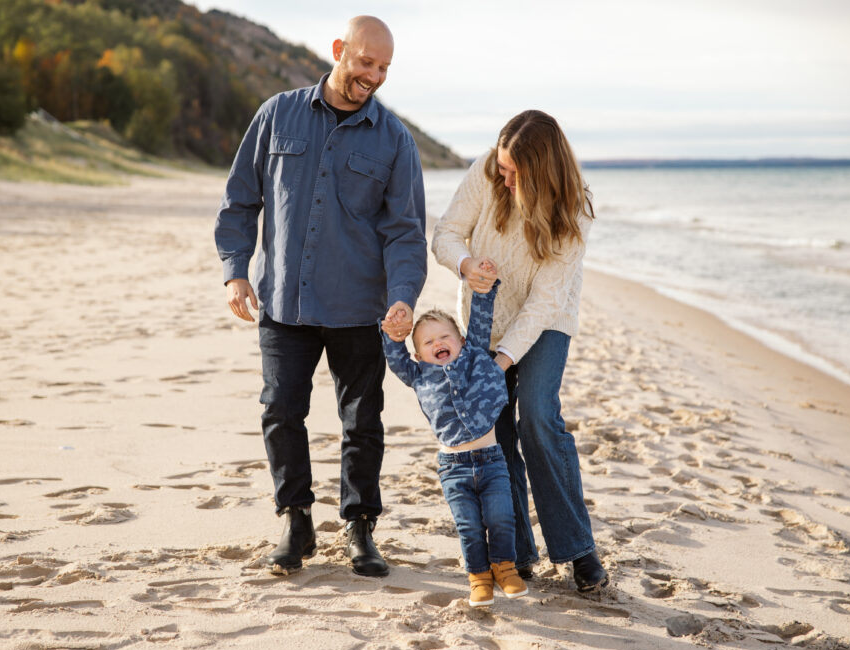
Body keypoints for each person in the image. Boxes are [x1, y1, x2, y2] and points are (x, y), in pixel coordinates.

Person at [214, 16, 427, 577]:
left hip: (361, 309)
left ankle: (360, 528)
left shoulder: (395, 139)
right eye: (365, 62)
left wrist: (403, 297)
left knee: (362, 421)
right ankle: (296, 520)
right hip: (284, 301)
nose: (374, 77)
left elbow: (405, 231)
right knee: (280, 409)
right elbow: (240, 200)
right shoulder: (277, 114)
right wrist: (236, 271)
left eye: (383, 68)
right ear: (339, 51)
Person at [430, 110, 609, 593]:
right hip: (484, 315)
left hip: (544, 320)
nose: (502, 177)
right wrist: (466, 265)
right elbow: (445, 234)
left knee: (535, 414)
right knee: (497, 428)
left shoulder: (575, 212)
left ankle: (577, 549)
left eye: (514, 173)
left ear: (542, 173)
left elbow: (545, 300)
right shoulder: (487, 170)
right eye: (501, 168)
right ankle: (517, 552)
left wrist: (502, 361)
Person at [380, 278, 529, 606]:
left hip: (491, 459)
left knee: (502, 517)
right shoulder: (418, 375)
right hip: (454, 468)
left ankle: (504, 568)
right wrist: (392, 334)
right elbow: (395, 358)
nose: (438, 343)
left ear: (460, 341)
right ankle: (478, 577)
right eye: (429, 342)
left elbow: (480, 321)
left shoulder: (473, 357)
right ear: (418, 355)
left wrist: (484, 289)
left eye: (445, 336)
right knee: (470, 527)